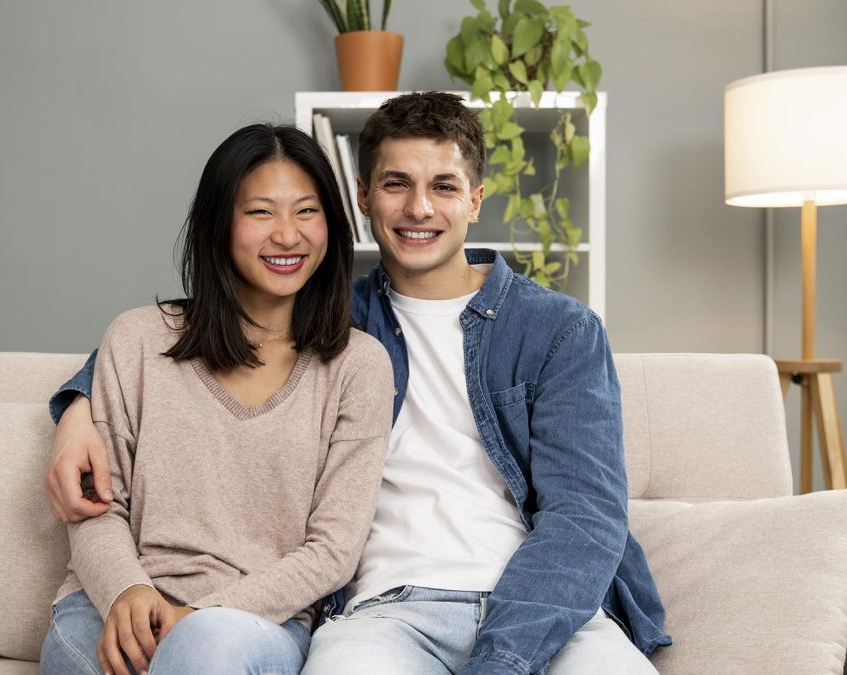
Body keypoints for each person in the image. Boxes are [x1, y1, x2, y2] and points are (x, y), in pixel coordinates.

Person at [46, 92, 672, 674]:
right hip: (383, 610)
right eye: (396, 184)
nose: (419, 208)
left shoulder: (557, 330)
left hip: (543, 611)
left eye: (444, 187)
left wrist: (503, 660)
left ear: (475, 200)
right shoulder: (334, 321)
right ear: (363, 198)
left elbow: (585, 518)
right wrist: (77, 406)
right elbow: (181, 332)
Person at [39, 123, 394, 675]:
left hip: (255, 623)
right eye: (260, 212)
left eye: (306, 211)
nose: (287, 235)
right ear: (218, 224)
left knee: (205, 653)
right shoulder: (137, 340)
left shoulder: (359, 366)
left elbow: (334, 550)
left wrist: (200, 615)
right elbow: (97, 507)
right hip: (115, 603)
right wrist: (127, 593)